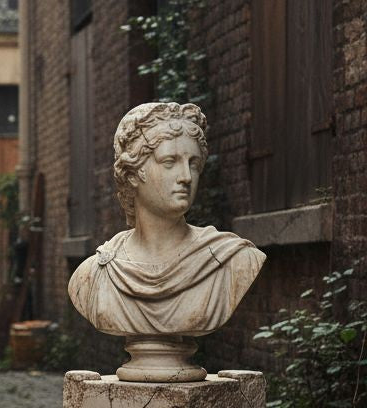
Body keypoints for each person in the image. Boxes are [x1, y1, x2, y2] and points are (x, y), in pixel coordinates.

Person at [68, 102, 265, 361]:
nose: (186, 177)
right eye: (170, 162)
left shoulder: (233, 260)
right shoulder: (94, 275)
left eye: (194, 163)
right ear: (133, 173)